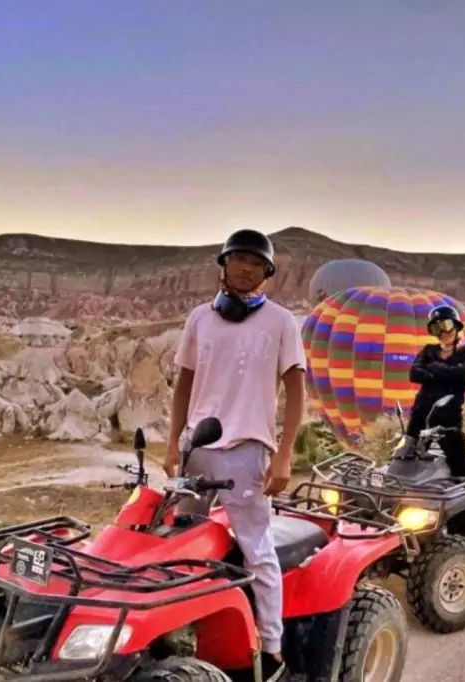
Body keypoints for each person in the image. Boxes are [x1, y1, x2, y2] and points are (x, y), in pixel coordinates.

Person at [164, 228, 305, 681]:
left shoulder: (281, 322)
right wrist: (173, 443)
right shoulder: (199, 319)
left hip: (247, 450)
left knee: (256, 549)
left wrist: (284, 455)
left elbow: (296, 391)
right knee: (179, 542)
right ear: (223, 265)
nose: (246, 268)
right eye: (238, 259)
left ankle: (272, 648)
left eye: (255, 263)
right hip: (196, 450)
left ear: (266, 274)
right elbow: (184, 382)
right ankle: (177, 632)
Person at [406, 305, 465, 478]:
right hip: (420, 416)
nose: (443, 332)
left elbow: (462, 376)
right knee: (405, 460)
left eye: (446, 325)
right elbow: (414, 373)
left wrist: (432, 369)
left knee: (461, 470)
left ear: (456, 326)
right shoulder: (428, 350)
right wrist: (447, 372)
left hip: (448, 417)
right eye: (436, 328)